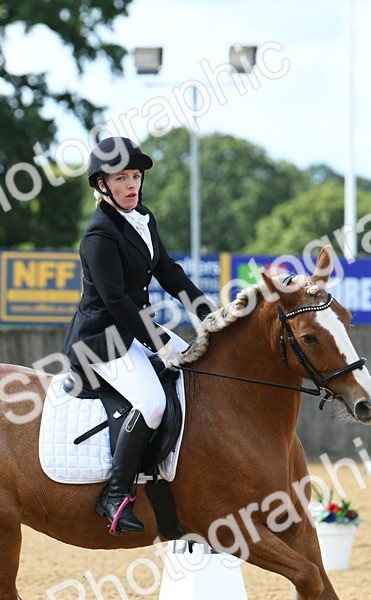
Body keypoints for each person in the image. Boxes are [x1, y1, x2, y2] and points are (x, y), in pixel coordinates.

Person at [60, 137, 216, 534]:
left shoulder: (143, 217)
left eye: (135, 176)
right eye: (121, 178)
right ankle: (115, 494)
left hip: (132, 328)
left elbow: (167, 270)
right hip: (101, 340)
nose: (131, 185)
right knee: (150, 403)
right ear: (102, 185)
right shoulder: (100, 235)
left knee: (199, 370)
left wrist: (207, 315)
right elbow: (114, 301)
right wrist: (158, 342)